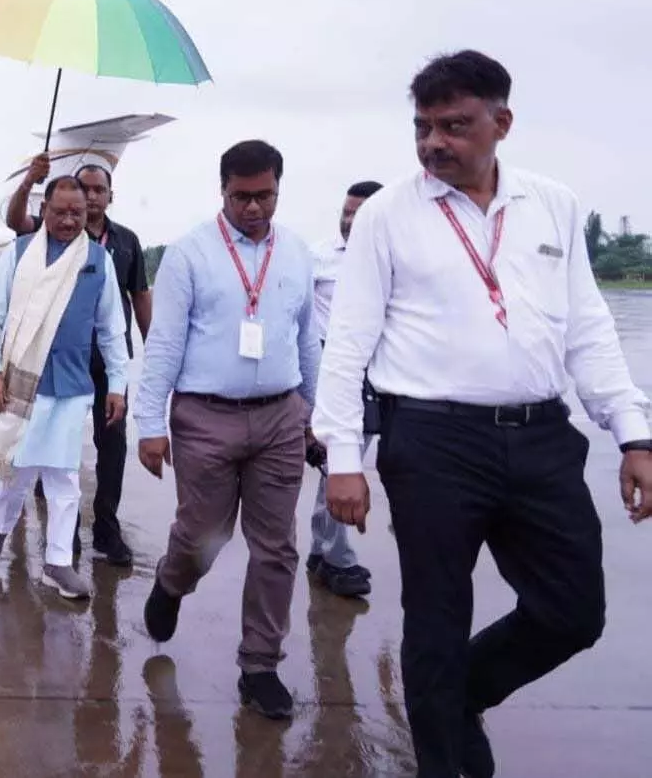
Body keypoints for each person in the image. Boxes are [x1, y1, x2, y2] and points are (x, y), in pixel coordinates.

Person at [314, 50, 652, 778]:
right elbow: (348, 343)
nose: (435, 142)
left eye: (456, 126)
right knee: (435, 619)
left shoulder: (552, 204)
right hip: (432, 442)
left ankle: (461, 694)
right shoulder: (386, 215)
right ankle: (442, 758)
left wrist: (633, 432)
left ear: (502, 122)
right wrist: (344, 457)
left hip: (539, 436)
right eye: (424, 127)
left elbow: (587, 327)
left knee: (573, 611)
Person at [133, 139, 320, 721]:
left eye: (264, 196)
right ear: (223, 192)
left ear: (277, 191)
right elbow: (164, 342)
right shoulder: (190, 254)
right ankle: (171, 581)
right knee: (201, 538)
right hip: (205, 418)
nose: (254, 209)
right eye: (242, 197)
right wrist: (149, 422)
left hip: (280, 417)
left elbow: (307, 337)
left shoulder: (296, 252)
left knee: (277, 546)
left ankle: (260, 664)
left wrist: (317, 415)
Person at [0, 176, 128, 600]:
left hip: (73, 385)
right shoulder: (20, 254)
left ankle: (58, 561)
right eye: (59, 211)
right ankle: (2, 523)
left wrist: (118, 384)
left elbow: (113, 330)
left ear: (88, 212)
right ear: (44, 210)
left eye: (76, 213)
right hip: (23, 380)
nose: (68, 219)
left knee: (64, 477)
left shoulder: (98, 260)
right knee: (19, 468)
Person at [6, 155, 152, 565]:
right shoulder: (49, 234)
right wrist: (29, 183)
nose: (89, 197)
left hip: (106, 361)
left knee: (113, 446)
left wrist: (150, 345)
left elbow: (139, 294)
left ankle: (106, 526)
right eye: (82, 189)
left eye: (98, 190)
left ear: (109, 196)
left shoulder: (125, 242)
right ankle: (62, 535)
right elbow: (16, 221)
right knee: (53, 451)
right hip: (56, 360)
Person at [305, 179, 383, 598]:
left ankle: (322, 551)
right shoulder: (318, 259)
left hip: (379, 375)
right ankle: (337, 557)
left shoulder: (395, 259)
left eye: (360, 214)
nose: (350, 221)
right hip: (329, 369)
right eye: (346, 212)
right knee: (338, 461)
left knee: (343, 465)